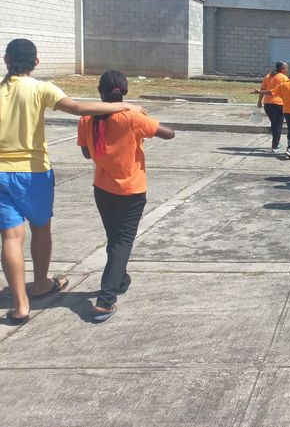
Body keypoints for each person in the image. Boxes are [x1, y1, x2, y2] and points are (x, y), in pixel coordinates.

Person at [0, 38, 146, 325]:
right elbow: (78, 108)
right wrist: (124, 105)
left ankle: (20, 306)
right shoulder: (41, 88)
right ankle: (40, 284)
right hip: (33, 172)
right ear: (36, 62)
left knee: (10, 237)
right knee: (40, 230)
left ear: (6, 60)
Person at [77, 71, 175, 322]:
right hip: (131, 190)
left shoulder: (87, 117)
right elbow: (168, 133)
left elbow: (87, 155)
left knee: (114, 239)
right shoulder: (131, 117)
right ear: (125, 92)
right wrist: (140, 115)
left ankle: (120, 279)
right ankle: (105, 300)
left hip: (102, 188)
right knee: (122, 242)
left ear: (100, 91)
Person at [258, 61, 287, 152]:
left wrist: (259, 102)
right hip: (278, 105)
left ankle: (276, 143)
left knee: (274, 125)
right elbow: (287, 92)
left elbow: (262, 90)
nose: (287, 70)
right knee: (277, 126)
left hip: (268, 104)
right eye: (286, 68)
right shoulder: (284, 78)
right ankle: (275, 146)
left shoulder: (268, 76)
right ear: (282, 69)